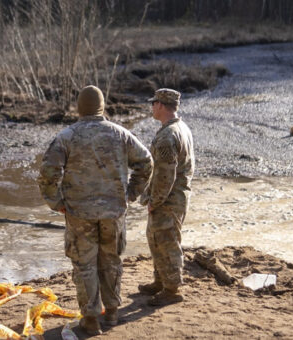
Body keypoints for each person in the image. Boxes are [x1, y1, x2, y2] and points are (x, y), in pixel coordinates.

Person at [38, 85, 153, 335]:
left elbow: (48, 174)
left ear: (80, 108)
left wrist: (56, 202)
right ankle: (111, 312)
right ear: (102, 107)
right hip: (114, 212)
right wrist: (131, 194)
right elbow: (146, 162)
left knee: (84, 265)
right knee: (111, 261)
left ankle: (90, 318)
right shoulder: (121, 134)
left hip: (79, 213)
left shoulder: (66, 136)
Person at [138, 88, 194, 306]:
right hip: (176, 196)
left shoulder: (168, 136)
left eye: (154, 103)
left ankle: (172, 289)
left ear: (161, 105)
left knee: (167, 242)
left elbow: (165, 176)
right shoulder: (179, 128)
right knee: (157, 240)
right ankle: (161, 282)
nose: (152, 107)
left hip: (169, 199)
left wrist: (154, 201)